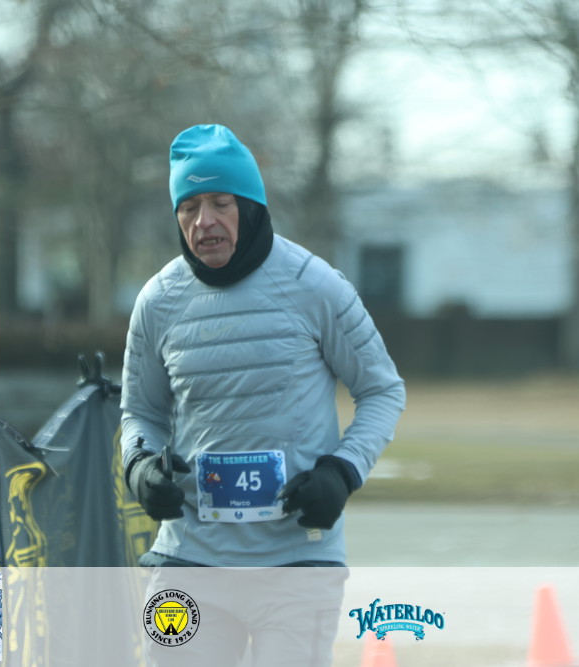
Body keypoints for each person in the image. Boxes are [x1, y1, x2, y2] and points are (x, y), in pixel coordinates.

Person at [119, 123, 405, 665]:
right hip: (190, 558)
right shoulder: (157, 301)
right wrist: (139, 467)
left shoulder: (315, 285)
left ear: (250, 207)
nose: (204, 221)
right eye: (188, 207)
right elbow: (141, 412)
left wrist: (342, 471)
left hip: (296, 560)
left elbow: (382, 390)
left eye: (220, 203)